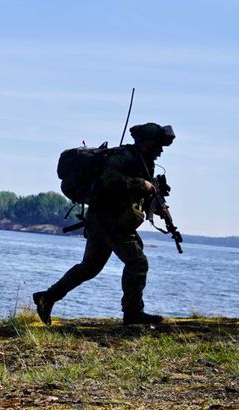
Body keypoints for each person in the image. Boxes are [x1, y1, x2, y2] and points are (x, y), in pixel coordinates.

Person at [33, 123, 175, 326]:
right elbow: (108, 180)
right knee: (137, 262)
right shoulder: (124, 157)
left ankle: (46, 298)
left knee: (90, 267)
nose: (160, 151)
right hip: (109, 220)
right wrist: (141, 184)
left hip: (106, 220)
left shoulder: (143, 162)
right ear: (146, 143)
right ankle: (133, 313)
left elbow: (134, 195)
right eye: (158, 146)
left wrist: (156, 205)